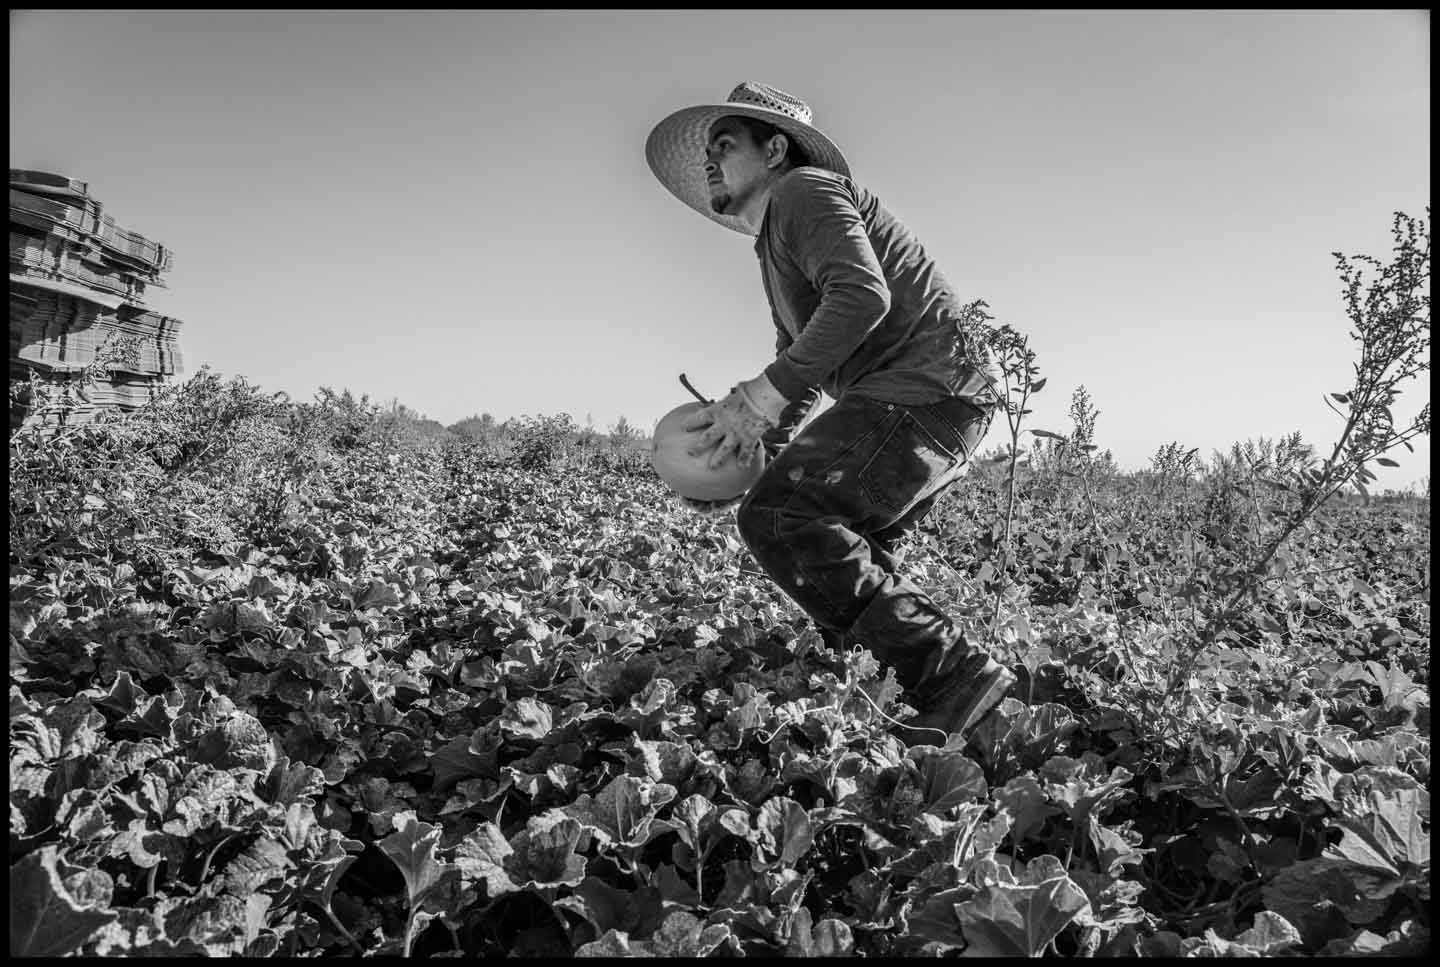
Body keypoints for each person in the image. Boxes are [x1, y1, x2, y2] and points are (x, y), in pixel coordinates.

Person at [644, 81, 1017, 742]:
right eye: (707, 152)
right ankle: (908, 699)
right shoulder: (774, 241)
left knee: (784, 516)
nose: (709, 161)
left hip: (923, 387)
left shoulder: (803, 191)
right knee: (843, 549)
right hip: (938, 398)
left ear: (774, 150)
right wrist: (747, 456)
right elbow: (798, 358)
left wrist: (756, 400)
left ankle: (955, 675)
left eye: (723, 145)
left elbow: (862, 296)